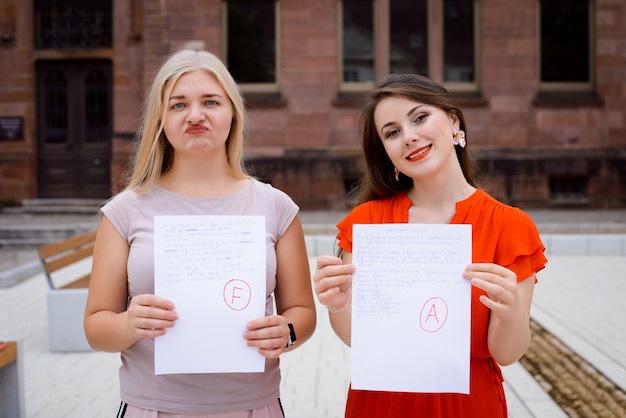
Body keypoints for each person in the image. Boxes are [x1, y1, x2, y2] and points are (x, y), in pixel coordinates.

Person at [84, 48, 316, 417]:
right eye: (178, 105)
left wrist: (285, 332)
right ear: (160, 117)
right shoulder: (124, 211)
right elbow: (96, 327)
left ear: (232, 112)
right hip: (153, 407)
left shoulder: (275, 207)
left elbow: (302, 312)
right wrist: (129, 323)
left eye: (211, 101)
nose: (195, 115)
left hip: (252, 408)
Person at [313, 73, 547, 418]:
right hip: (381, 402)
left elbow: (506, 354)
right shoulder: (368, 222)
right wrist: (338, 304)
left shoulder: (509, 226)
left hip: (467, 405)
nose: (409, 137)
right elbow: (356, 338)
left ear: (454, 122)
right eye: (392, 132)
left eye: (420, 117)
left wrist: (511, 314)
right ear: (386, 152)